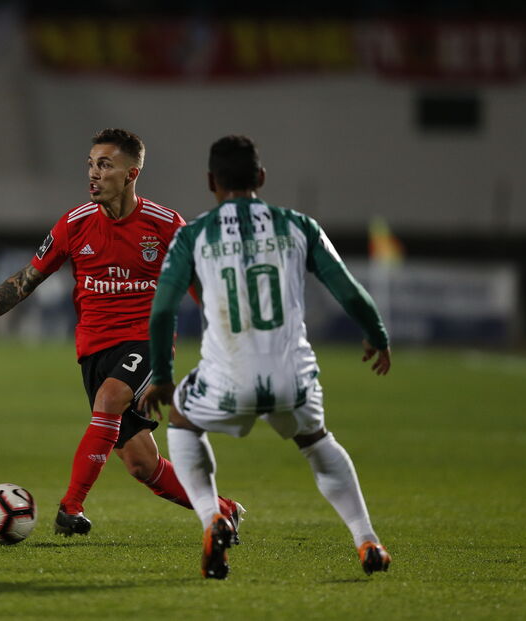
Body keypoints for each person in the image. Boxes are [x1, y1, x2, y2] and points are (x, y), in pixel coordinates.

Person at [0, 128, 242, 537]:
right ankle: (223, 509)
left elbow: (201, 287)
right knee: (141, 464)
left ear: (131, 174)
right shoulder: (75, 224)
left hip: (145, 340)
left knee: (110, 397)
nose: (94, 174)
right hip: (94, 350)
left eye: (105, 165)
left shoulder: (166, 225)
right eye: (91, 165)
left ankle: (70, 507)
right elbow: (27, 279)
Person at [139, 135, 392, 579]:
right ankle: (366, 538)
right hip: (292, 376)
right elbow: (349, 291)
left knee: (181, 420)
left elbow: (162, 311)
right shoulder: (298, 226)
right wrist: (377, 334)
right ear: (260, 177)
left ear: (210, 182)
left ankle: (211, 518)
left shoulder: (194, 235)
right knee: (316, 442)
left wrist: (162, 375)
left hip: (227, 378)